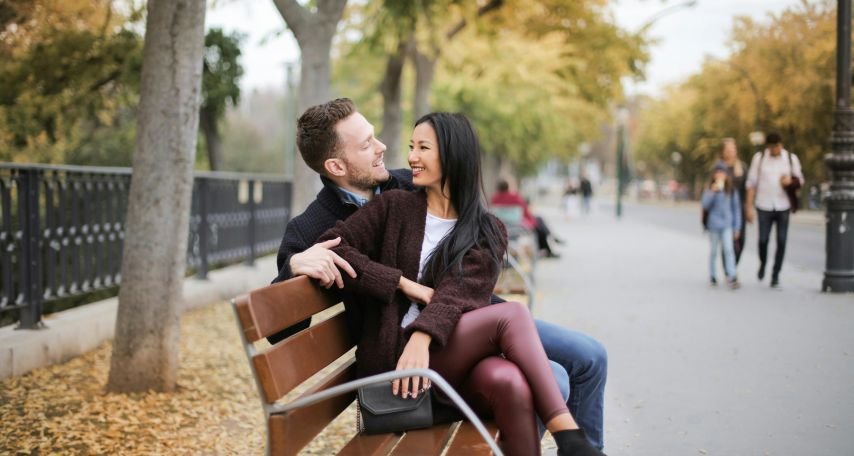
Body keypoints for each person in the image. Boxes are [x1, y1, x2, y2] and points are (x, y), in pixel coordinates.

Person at [272, 99, 607, 451]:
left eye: (376, 137)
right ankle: (564, 437)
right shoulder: (311, 227)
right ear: (336, 164)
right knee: (551, 377)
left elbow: (468, 236)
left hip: (469, 314)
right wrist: (293, 265)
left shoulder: (404, 183)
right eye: (367, 143)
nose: (384, 148)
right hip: (405, 346)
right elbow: (281, 329)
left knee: (589, 357)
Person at [745, 132, 804, 288]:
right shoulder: (759, 159)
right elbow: (751, 183)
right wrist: (748, 207)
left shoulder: (791, 159)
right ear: (768, 147)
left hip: (783, 205)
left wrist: (789, 181)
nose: (775, 149)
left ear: (781, 145)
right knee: (763, 240)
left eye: (777, 146)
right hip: (763, 205)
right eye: (772, 147)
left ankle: (775, 274)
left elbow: (800, 180)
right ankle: (763, 263)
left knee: (782, 241)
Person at [491, 178, 562, 258]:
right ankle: (551, 239)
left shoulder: (494, 198)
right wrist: (532, 222)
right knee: (539, 223)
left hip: (502, 226)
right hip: (517, 226)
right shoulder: (514, 197)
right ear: (508, 187)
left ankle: (551, 240)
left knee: (539, 222)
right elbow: (525, 212)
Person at [701, 164, 742, 289]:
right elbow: (705, 205)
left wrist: (737, 227)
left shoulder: (731, 190)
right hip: (713, 225)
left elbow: (736, 210)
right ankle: (712, 275)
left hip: (727, 225)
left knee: (729, 250)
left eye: (722, 173)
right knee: (713, 251)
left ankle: (732, 275)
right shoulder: (710, 189)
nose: (720, 175)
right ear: (714, 175)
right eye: (717, 173)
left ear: (726, 175)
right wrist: (712, 192)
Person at [713, 139, 747, 264]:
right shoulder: (719, 167)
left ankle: (733, 267)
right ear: (723, 152)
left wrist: (749, 208)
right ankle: (729, 272)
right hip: (724, 208)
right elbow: (712, 186)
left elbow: (747, 188)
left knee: (740, 240)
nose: (731, 153)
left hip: (739, 208)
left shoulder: (741, 167)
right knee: (727, 242)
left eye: (733, 150)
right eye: (728, 150)